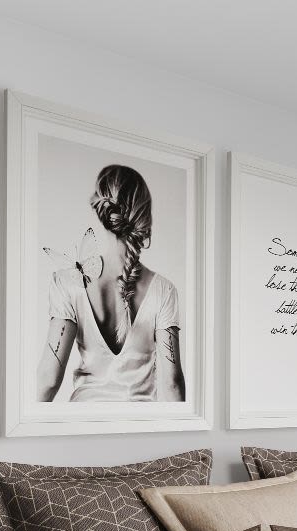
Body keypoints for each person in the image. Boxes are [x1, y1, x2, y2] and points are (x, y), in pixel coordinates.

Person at [35, 164, 185, 402]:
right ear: (144, 214)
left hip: (83, 426)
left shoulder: (69, 282)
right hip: (141, 431)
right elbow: (172, 384)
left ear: (102, 210)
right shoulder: (163, 290)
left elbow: (49, 379)